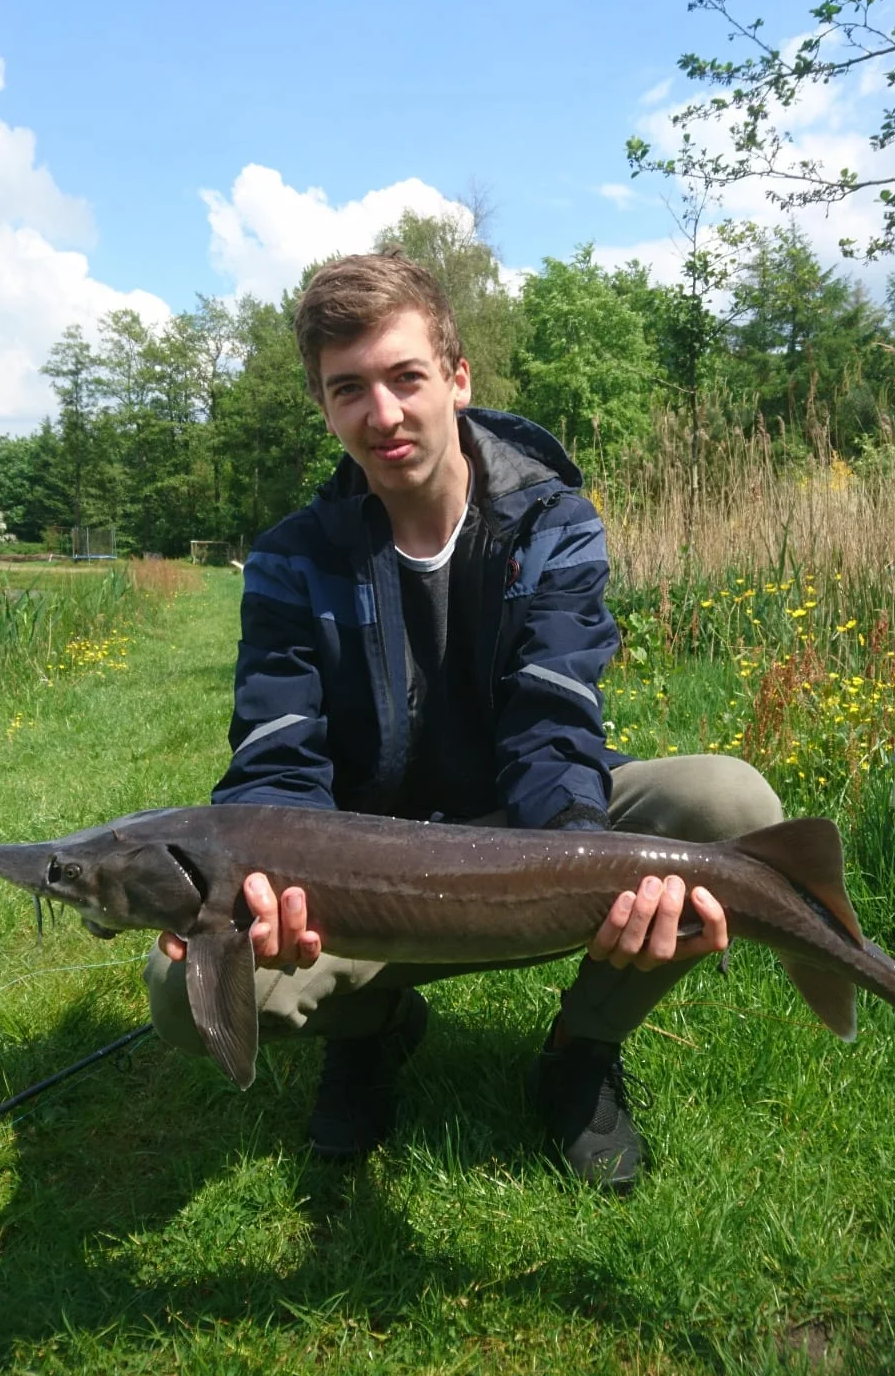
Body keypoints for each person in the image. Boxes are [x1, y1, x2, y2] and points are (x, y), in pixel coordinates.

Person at [145, 252, 781, 1192]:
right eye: (347, 389)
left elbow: (555, 717)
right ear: (324, 407)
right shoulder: (289, 559)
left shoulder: (553, 521)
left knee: (728, 804)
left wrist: (575, 867)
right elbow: (277, 757)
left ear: (457, 377)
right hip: (364, 869)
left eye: (405, 377)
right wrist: (255, 887)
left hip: (526, 834)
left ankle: (580, 1047)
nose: (383, 414)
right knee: (176, 992)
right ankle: (368, 1034)